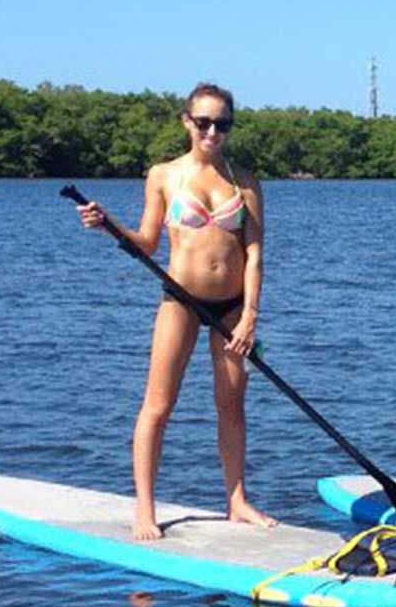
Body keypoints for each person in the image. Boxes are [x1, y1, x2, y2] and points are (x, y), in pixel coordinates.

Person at [74, 82, 278, 540]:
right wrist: (108, 225)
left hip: (231, 310)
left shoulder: (245, 182)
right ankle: (144, 510)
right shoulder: (163, 175)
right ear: (187, 121)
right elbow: (146, 241)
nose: (212, 132)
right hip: (180, 301)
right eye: (203, 122)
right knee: (158, 406)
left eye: (222, 124)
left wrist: (249, 317)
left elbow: (255, 255)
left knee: (232, 406)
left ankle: (237, 500)